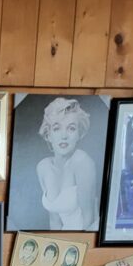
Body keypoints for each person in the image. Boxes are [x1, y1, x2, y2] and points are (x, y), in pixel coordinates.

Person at [36, 97, 98, 230]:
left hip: (86, 237)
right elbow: (54, 221)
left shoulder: (82, 162)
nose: (64, 136)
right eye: (57, 128)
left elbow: (89, 219)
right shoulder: (43, 167)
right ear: (48, 135)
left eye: (71, 128)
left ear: (79, 134)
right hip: (64, 240)